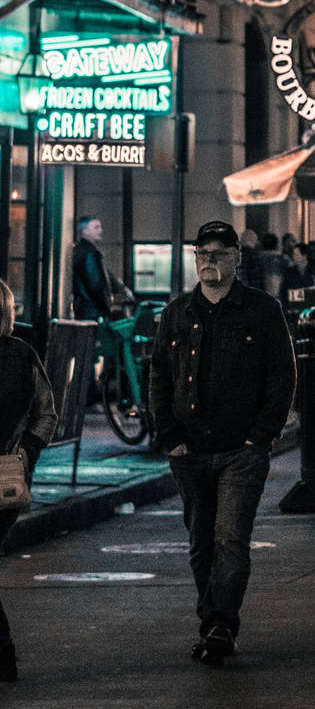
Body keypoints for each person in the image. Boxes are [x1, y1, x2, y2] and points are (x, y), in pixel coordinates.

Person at [149, 219, 296, 664]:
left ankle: (220, 626)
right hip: (189, 451)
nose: (209, 260)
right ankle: (212, 620)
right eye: (202, 253)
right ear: (195, 259)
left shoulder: (262, 310)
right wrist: (170, 437)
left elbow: (282, 376)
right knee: (201, 542)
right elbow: (159, 375)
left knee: (231, 538)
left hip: (241, 451)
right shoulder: (177, 313)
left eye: (218, 253)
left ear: (236, 258)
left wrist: (260, 437)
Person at [0, 279, 57, 681]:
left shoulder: (19, 355)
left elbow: (46, 412)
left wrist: (28, 454)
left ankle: (4, 658)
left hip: (4, 476)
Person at [71, 215, 117, 321]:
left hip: (86, 310)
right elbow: (95, 284)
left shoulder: (82, 251)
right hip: (93, 311)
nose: (101, 230)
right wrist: (106, 305)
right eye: (96, 227)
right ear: (85, 231)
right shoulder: (89, 254)